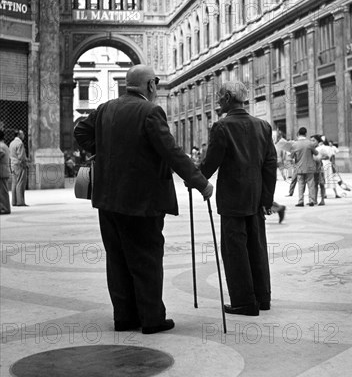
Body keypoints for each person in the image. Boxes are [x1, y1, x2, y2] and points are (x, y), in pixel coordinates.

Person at [74, 64, 213, 334]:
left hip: (107, 200)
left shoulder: (105, 109)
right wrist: (201, 183)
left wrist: (102, 152)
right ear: (150, 85)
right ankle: (151, 319)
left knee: (117, 259)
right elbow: (172, 153)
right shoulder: (150, 111)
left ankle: (124, 318)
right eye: (157, 84)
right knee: (146, 259)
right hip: (141, 201)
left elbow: (81, 131)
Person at [199, 81, 277, 316]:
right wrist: (266, 198)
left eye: (219, 98)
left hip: (233, 199)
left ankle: (244, 301)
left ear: (227, 99)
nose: (217, 102)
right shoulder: (262, 126)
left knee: (235, 251)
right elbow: (270, 164)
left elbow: (211, 162)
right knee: (257, 247)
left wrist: (196, 179)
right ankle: (263, 298)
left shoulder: (222, 127)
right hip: (255, 199)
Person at [281, 127, 318, 207]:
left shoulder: (295, 144)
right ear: (306, 133)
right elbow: (316, 153)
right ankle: (312, 201)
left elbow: (291, 156)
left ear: (298, 133)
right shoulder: (310, 143)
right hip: (309, 168)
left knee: (301, 185)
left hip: (299, 168)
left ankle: (300, 201)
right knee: (311, 185)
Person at [9, 129, 28, 206]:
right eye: (22, 134)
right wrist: (25, 164)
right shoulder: (20, 143)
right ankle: (20, 202)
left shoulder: (11, 143)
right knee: (20, 183)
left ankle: (14, 201)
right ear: (19, 135)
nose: (24, 135)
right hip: (19, 165)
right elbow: (21, 156)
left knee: (14, 183)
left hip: (13, 164)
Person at [0, 130, 11, 215]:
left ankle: (5, 208)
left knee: (3, 192)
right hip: (4, 171)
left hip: (2, 171)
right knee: (3, 191)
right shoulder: (4, 145)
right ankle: (3, 207)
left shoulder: (1, 146)